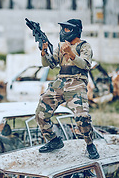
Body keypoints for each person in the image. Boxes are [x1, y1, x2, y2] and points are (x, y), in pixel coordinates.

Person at [35, 19, 99, 159]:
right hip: (60, 82)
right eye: (63, 29)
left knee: (82, 117)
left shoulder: (84, 46)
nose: (64, 32)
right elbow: (50, 64)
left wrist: (71, 53)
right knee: (40, 112)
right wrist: (43, 52)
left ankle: (89, 144)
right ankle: (53, 140)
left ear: (75, 30)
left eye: (67, 29)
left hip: (77, 83)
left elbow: (85, 65)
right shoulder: (61, 46)